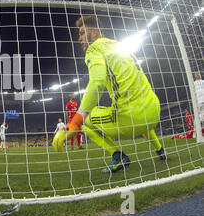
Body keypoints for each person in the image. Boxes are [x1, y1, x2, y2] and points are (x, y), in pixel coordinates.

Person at [53, 15, 166, 174]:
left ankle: (118, 156)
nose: (79, 38)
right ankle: (160, 149)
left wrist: (75, 121)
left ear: (94, 31)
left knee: (84, 120)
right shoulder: (117, 45)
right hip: (154, 110)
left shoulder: (95, 48)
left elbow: (97, 83)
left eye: (82, 33)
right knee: (136, 100)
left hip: (133, 117)